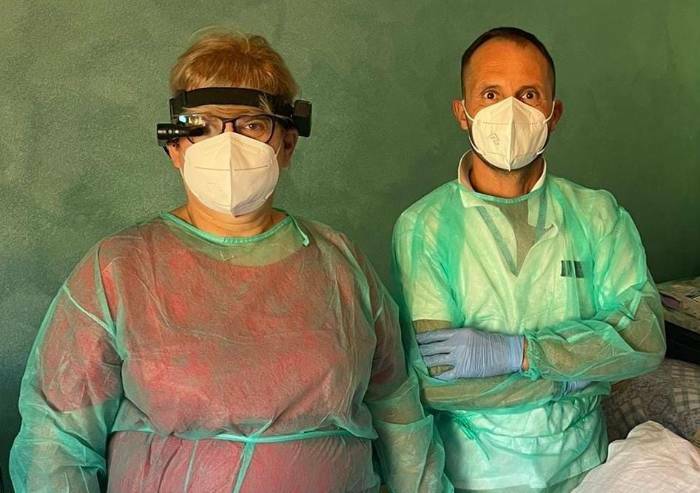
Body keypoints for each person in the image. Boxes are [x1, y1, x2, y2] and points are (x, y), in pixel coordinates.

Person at [11, 31, 449, 493]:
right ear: (174, 147)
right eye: (201, 126)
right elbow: (56, 443)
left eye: (252, 125)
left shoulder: (339, 264)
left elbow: (400, 415)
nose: (227, 143)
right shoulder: (120, 270)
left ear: (287, 143)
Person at [392, 27, 666, 492]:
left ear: (552, 114)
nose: (510, 112)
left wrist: (522, 353)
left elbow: (644, 337)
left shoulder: (597, 215)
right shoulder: (425, 228)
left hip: (586, 465)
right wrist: (573, 376)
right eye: (491, 94)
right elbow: (437, 381)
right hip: (476, 473)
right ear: (462, 112)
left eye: (528, 94)